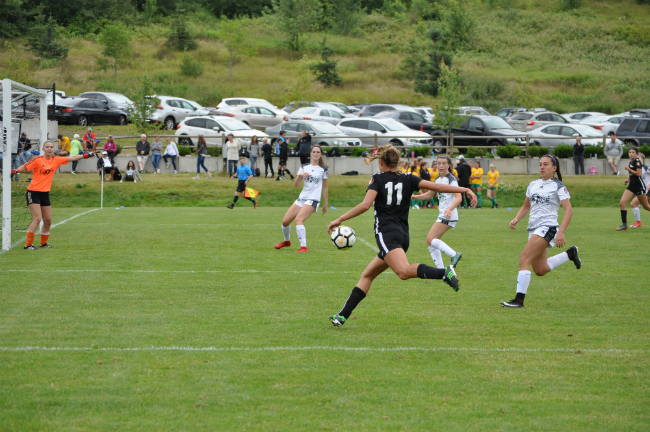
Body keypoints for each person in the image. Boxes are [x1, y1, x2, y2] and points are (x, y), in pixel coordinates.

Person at [327, 145, 476, 326]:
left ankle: (444, 273)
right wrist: (465, 190)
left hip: (386, 234)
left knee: (403, 272)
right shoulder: (408, 178)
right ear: (397, 162)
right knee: (367, 275)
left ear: (381, 162)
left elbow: (365, 205)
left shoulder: (377, 179)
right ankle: (342, 316)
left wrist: (340, 219)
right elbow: (437, 186)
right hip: (403, 236)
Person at [501, 155, 581, 308]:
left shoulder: (558, 186)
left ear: (554, 168)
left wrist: (561, 232)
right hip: (533, 229)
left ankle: (518, 301)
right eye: (540, 165)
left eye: (546, 164)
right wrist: (516, 219)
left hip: (547, 227)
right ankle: (570, 254)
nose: (542, 167)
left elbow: (569, 210)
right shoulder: (533, 184)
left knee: (524, 259)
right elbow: (526, 206)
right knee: (540, 269)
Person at [10, 140, 93, 249]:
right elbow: (25, 166)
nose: (49, 149)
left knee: (48, 220)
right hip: (33, 192)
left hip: (45, 193)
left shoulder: (56, 160)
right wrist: (16, 171)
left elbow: (72, 158)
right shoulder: (38, 159)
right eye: (47, 147)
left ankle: (43, 243)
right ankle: (28, 244)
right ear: (43, 149)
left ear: (54, 149)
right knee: (37, 219)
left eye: (51, 147)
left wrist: (87, 155)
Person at [412, 155, 464, 269]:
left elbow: (458, 198)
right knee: (429, 242)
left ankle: (454, 254)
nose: (441, 166)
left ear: (448, 165)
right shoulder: (437, 180)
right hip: (443, 215)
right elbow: (429, 195)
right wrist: (415, 197)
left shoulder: (451, 179)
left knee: (430, 239)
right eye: (439, 163)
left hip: (448, 215)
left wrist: (449, 209)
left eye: (444, 163)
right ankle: (441, 271)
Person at [275, 146, 329, 253]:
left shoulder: (323, 169)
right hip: (302, 198)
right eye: (314, 151)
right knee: (285, 222)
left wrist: (326, 203)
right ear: (310, 154)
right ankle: (287, 242)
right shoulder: (304, 166)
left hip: (313, 199)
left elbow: (325, 187)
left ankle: (304, 247)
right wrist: (300, 175)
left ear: (321, 154)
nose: (316, 153)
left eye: (318, 152)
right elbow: (296, 185)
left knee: (298, 220)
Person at [616, 147, 650, 231]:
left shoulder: (637, 162)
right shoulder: (631, 162)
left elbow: (638, 174)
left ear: (636, 154)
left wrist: (628, 169)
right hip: (631, 187)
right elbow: (632, 174)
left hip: (639, 187)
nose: (631, 153)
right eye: (630, 152)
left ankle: (637, 222)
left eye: (633, 152)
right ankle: (624, 225)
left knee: (646, 206)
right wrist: (627, 180)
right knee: (622, 203)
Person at [630, 153, 650, 228]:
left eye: (639, 158)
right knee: (647, 207)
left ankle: (638, 222)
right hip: (641, 190)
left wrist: (649, 185)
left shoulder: (645, 167)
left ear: (643, 159)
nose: (637, 160)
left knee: (633, 204)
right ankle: (638, 222)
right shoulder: (636, 168)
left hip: (646, 190)